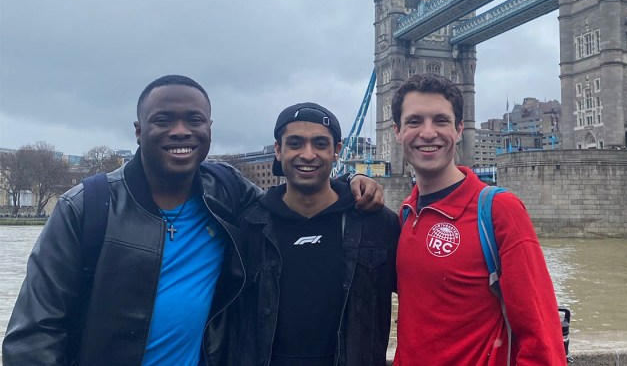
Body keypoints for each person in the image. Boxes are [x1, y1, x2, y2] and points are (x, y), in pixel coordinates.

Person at [2, 75, 383, 366]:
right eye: (163, 119)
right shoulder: (86, 206)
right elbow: (34, 334)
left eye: (194, 120)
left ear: (209, 130)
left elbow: (297, 197)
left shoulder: (227, 191)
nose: (181, 131)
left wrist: (352, 182)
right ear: (138, 131)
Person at [391, 73, 565, 365]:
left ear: (459, 129)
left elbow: (542, 338)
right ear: (397, 131)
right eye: (414, 121)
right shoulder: (407, 214)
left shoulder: (499, 210)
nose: (428, 132)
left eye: (441, 121)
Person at [230, 102, 399, 365]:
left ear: (337, 152)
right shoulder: (248, 226)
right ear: (278, 150)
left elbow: (423, 298)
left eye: (320, 144)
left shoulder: (377, 223)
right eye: (295, 143)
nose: (308, 155)